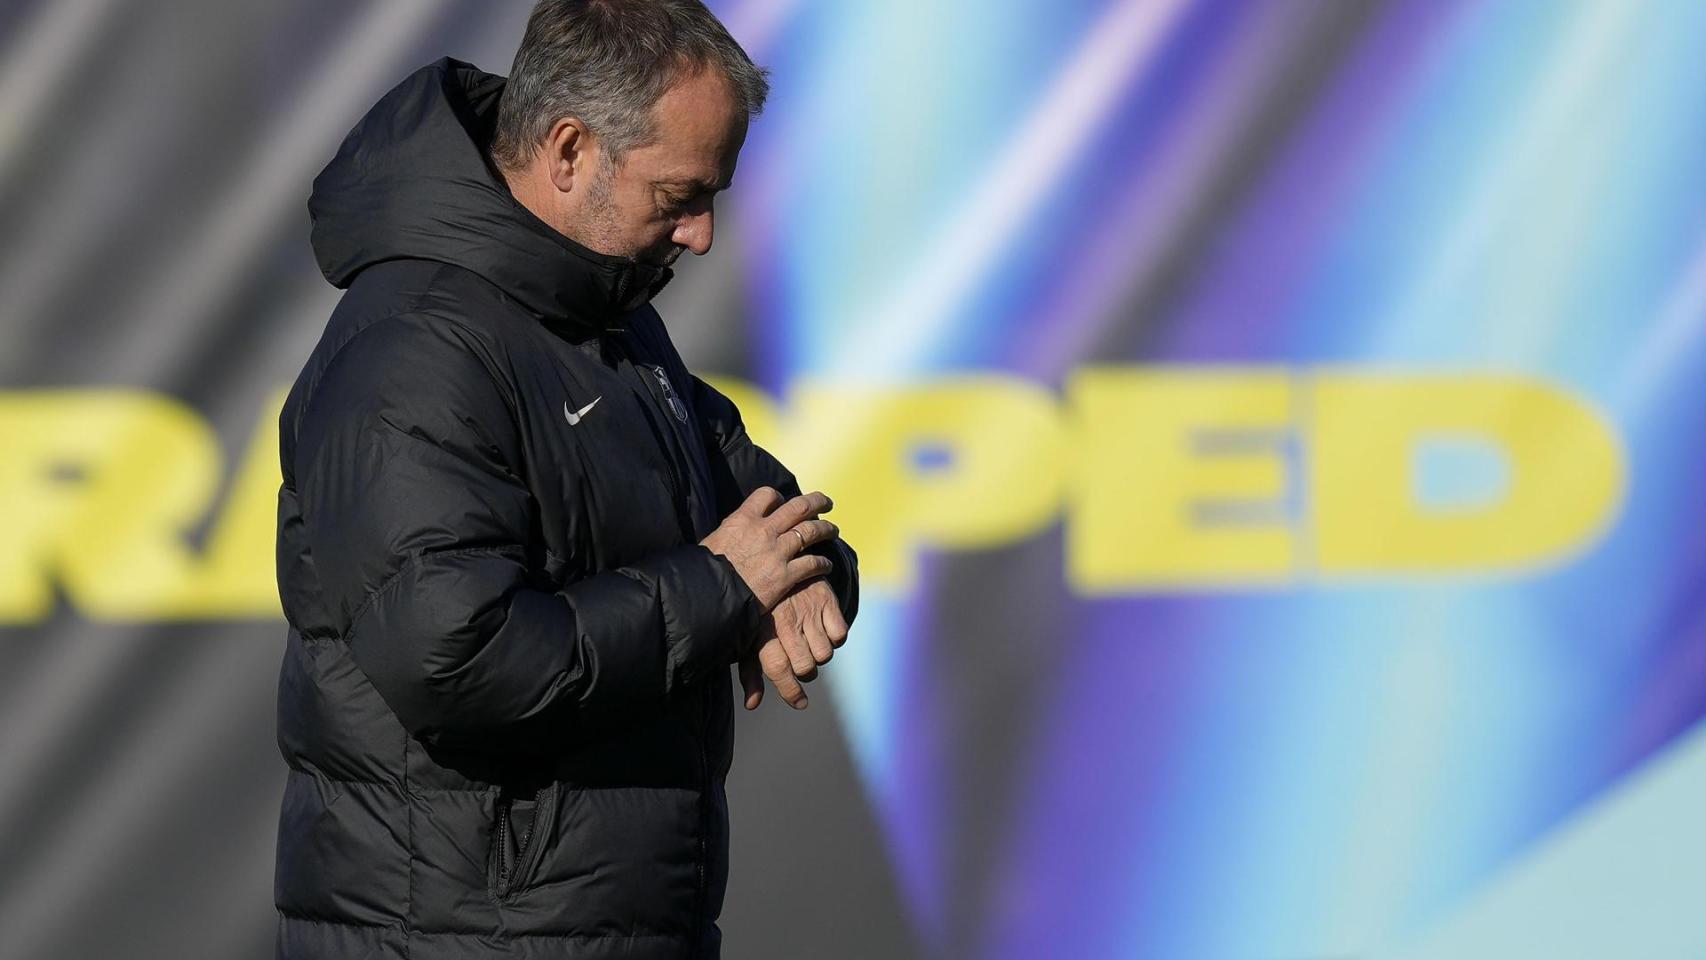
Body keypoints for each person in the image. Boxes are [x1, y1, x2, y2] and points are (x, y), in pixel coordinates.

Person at [271, 1, 859, 957]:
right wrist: (724, 589)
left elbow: (769, 517)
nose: (702, 233)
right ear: (571, 150)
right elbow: (455, 659)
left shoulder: (607, 316)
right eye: (679, 196)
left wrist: (804, 581)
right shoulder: (413, 351)